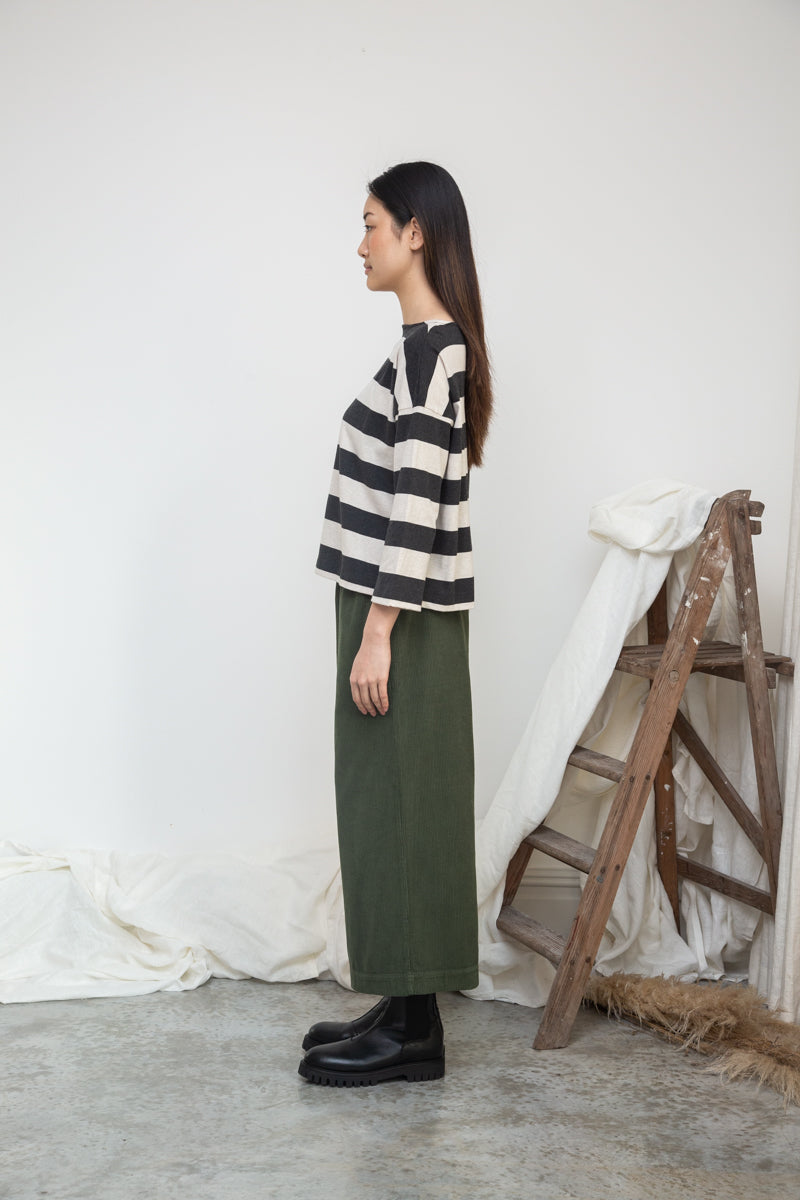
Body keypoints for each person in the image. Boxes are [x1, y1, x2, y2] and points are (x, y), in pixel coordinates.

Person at [299, 161, 493, 1088]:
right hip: (394, 600)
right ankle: (403, 998)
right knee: (388, 804)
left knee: (404, 806)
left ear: (417, 233)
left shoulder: (429, 351)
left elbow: (415, 503)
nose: (361, 243)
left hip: (399, 609)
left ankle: (416, 1031)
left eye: (372, 223)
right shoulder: (428, 346)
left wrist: (378, 630)